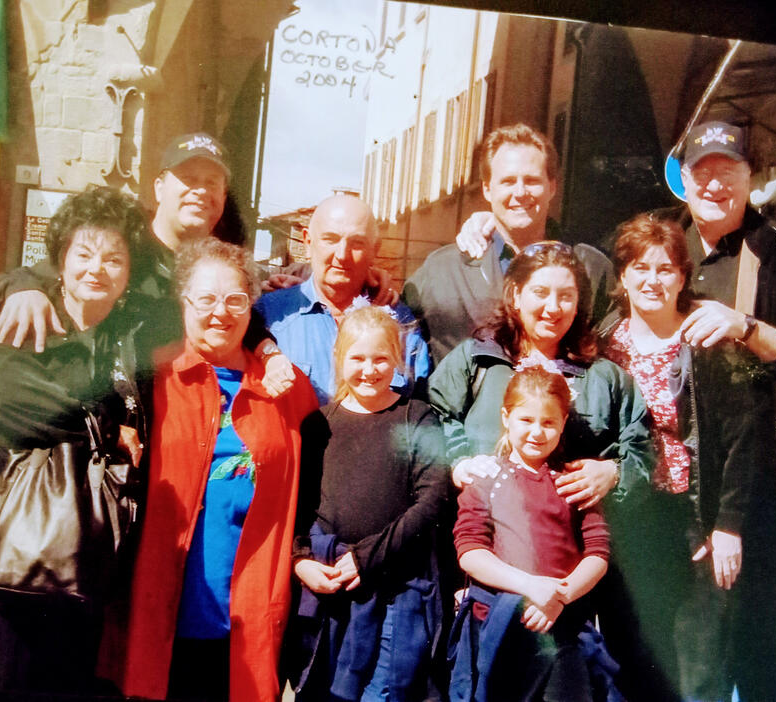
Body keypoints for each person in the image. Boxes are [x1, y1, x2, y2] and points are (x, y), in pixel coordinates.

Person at [427, 241, 652, 699]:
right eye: (540, 292)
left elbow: (643, 444)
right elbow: (428, 415)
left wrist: (614, 473)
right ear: (515, 294)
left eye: (566, 295)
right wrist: (457, 459)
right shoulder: (477, 360)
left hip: (567, 581)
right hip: (488, 569)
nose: (553, 307)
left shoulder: (603, 376)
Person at [0, 186, 148, 694]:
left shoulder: (123, 337)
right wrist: (103, 428)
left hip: (79, 552)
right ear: (60, 258)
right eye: (83, 253)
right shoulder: (31, 309)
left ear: (128, 273)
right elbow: (1, 404)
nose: (96, 269)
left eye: (113, 258)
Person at [118, 238, 317, 702]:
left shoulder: (285, 387)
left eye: (234, 299)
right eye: (205, 298)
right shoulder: (153, 377)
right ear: (183, 301)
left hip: (247, 617)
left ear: (251, 307)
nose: (219, 313)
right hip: (161, 609)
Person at [656, 120, 776, 701]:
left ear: (752, 177)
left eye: (729, 170)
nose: (715, 183)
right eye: (703, 171)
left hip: (758, 489)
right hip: (674, 492)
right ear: (685, 180)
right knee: (687, 658)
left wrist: (747, 328)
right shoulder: (666, 248)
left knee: (761, 655)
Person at [601, 213, 776, 701]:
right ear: (622, 276)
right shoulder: (604, 346)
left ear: (682, 276)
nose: (652, 280)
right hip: (630, 522)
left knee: (698, 665)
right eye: (640, 268)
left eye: (665, 269)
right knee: (631, 659)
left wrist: (728, 526)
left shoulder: (708, 342)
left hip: (695, 520)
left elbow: (744, 437)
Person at [0, 132, 295, 398]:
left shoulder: (218, 264)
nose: (200, 191)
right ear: (159, 186)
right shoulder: (122, 247)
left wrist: (268, 348)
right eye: (188, 178)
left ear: (223, 197)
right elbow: (34, 276)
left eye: (212, 182)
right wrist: (23, 288)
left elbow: (235, 319)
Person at [288, 306, 450, 701]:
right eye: (357, 358)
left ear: (396, 357)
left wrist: (369, 557)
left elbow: (433, 499)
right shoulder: (318, 424)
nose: (369, 369)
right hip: (328, 588)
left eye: (380, 357)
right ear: (339, 359)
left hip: (396, 587)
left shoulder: (417, 418)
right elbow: (298, 504)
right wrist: (300, 560)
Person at [451, 367, 610, 702]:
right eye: (526, 420)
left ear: (564, 422)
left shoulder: (572, 481)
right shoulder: (486, 478)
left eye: (548, 422)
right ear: (506, 417)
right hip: (498, 627)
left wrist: (561, 596)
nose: (537, 432)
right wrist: (531, 587)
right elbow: (470, 550)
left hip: (564, 631)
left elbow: (597, 553)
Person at [402, 123, 614, 365]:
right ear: (487, 189)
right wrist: (376, 282)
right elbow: (389, 327)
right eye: (508, 181)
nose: (520, 192)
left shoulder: (591, 268)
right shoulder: (443, 269)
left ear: (552, 187)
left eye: (532, 180)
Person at [254, 194, 431, 405]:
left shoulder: (401, 324)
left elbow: (419, 410)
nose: (343, 254)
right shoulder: (270, 315)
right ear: (308, 242)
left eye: (357, 243)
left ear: (374, 250)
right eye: (331, 239)